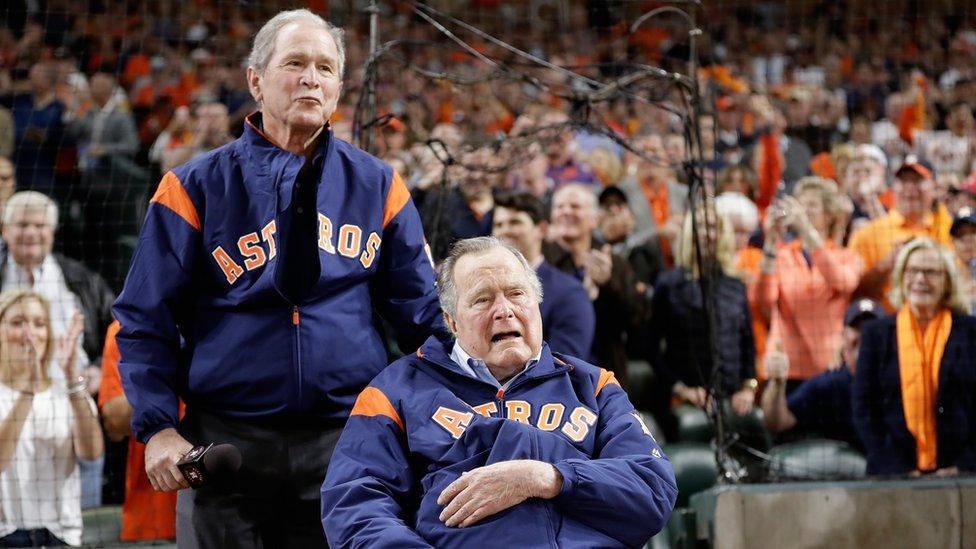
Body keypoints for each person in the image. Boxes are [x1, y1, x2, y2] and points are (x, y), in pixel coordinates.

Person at [113, 9, 444, 548]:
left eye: (325, 68)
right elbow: (143, 318)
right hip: (224, 450)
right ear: (256, 80)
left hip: (347, 444)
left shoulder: (379, 185)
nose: (311, 77)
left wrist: (461, 399)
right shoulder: (191, 187)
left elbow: (421, 317)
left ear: (339, 87)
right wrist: (157, 428)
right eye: (295, 63)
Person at [321, 237, 677, 547]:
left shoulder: (593, 386)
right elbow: (355, 505)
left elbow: (652, 489)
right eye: (482, 300)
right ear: (450, 320)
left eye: (516, 294)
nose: (504, 311)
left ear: (537, 304)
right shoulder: (395, 391)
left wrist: (546, 478)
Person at [853, 238, 976, 476]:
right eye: (913, 271)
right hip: (893, 474)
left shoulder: (971, 333)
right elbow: (863, 408)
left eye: (930, 272)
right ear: (901, 277)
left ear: (947, 281)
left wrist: (965, 463)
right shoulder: (876, 334)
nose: (920, 279)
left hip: (960, 474)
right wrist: (895, 466)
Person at [0, 290, 103, 547]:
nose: (29, 333)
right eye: (16, 323)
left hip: (60, 536)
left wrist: (70, 378)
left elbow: (91, 453)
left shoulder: (68, 393)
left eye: (38, 323)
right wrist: (27, 392)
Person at [648, 203, 756, 440]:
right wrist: (682, 389)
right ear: (689, 233)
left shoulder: (736, 284)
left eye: (714, 227)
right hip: (685, 393)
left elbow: (747, 342)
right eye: (701, 227)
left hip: (732, 393)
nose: (707, 234)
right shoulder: (668, 284)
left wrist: (748, 387)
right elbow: (651, 347)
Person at [756, 177, 864, 382]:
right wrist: (770, 241)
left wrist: (807, 231)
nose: (803, 211)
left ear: (829, 215)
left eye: (812, 204)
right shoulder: (782, 255)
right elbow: (763, 300)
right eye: (800, 204)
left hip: (829, 364)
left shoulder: (847, 257)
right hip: (786, 365)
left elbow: (843, 282)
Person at [544, 184, 643, 385]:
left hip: (606, 376)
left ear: (594, 219)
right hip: (553, 376)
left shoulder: (615, 263)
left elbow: (637, 321)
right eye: (560, 207)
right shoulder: (540, 263)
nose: (566, 212)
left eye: (575, 206)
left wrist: (607, 285)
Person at [762, 298, 885, 448]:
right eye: (857, 328)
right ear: (843, 336)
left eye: (872, 327)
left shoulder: (899, 381)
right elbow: (777, 422)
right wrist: (777, 384)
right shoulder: (828, 385)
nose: (864, 334)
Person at [97, 321, 178, 542]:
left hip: (224, 501)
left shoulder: (228, 316)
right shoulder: (126, 328)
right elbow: (114, 422)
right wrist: (166, 370)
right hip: (153, 512)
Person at [492, 192, 594, 357]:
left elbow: (565, 363)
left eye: (515, 222)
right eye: (499, 225)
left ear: (542, 229)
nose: (505, 231)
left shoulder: (569, 292)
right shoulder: (485, 288)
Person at [849, 157, 953, 308]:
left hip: (940, 322)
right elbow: (853, 294)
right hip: (886, 325)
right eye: (903, 181)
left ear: (935, 188)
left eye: (918, 181)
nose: (910, 187)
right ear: (893, 188)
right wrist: (884, 266)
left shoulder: (949, 228)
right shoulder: (867, 234)